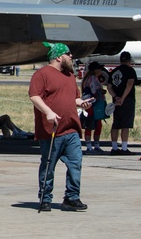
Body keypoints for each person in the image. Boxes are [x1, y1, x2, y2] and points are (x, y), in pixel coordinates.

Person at [30, 42, 93, 212]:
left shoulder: (70, 76)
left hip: (71, 129)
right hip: (51, 130)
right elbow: (35, 97)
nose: (71, 56)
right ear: (58, 57)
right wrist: (48, 112)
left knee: (75, 163)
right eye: (68, 53)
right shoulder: (42, 74)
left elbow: (73, 98)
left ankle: (72, 198)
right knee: (48, 165)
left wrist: (82, 103)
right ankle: (45, 197)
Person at [109, 51, 138, 155]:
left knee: (116, 124)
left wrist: (116, 97)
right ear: (129, 60)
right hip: (127, 101)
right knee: (126, 124)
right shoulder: (130, 71)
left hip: (115, 101)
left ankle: (114, 148)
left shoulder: (114, 71)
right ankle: (124, 148)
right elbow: (129, 84)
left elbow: (109, 87)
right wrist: (123, 98)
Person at [80, 61, 107, 153]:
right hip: (92, 104)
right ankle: (90, 146)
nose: (101, 70)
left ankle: (93, 145)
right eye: (99, 69)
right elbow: (94, 91)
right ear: (95, 70)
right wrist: (101, 92)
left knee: (94, 124)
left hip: (93, 104)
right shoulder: (92, 78)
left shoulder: (90, 78)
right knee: (91, 124)